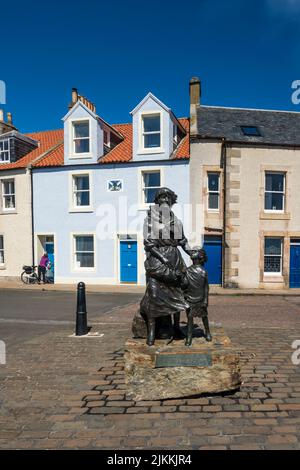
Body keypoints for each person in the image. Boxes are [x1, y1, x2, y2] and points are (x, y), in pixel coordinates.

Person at [140, 187, 192, 346]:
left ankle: (176, 327)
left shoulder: (176, 222)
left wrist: (192, 253)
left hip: (174, 259)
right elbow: (148, 244)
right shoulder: (150, 221)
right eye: (161, 199)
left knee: (178, 294)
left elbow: (182, 241)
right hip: (157, 261)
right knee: (154, 296)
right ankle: (151, 331)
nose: (165, 201)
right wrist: (162, 257)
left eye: (167, 199)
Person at [182, 247, 212, 346]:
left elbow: (206, 288)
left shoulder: (203, 271)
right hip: (190, 297)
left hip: (200, 298)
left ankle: (207, 332)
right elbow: (184, 284)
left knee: (204, 316)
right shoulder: (187, 271)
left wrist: (206, 300)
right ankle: (189, 336)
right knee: (190, 318)